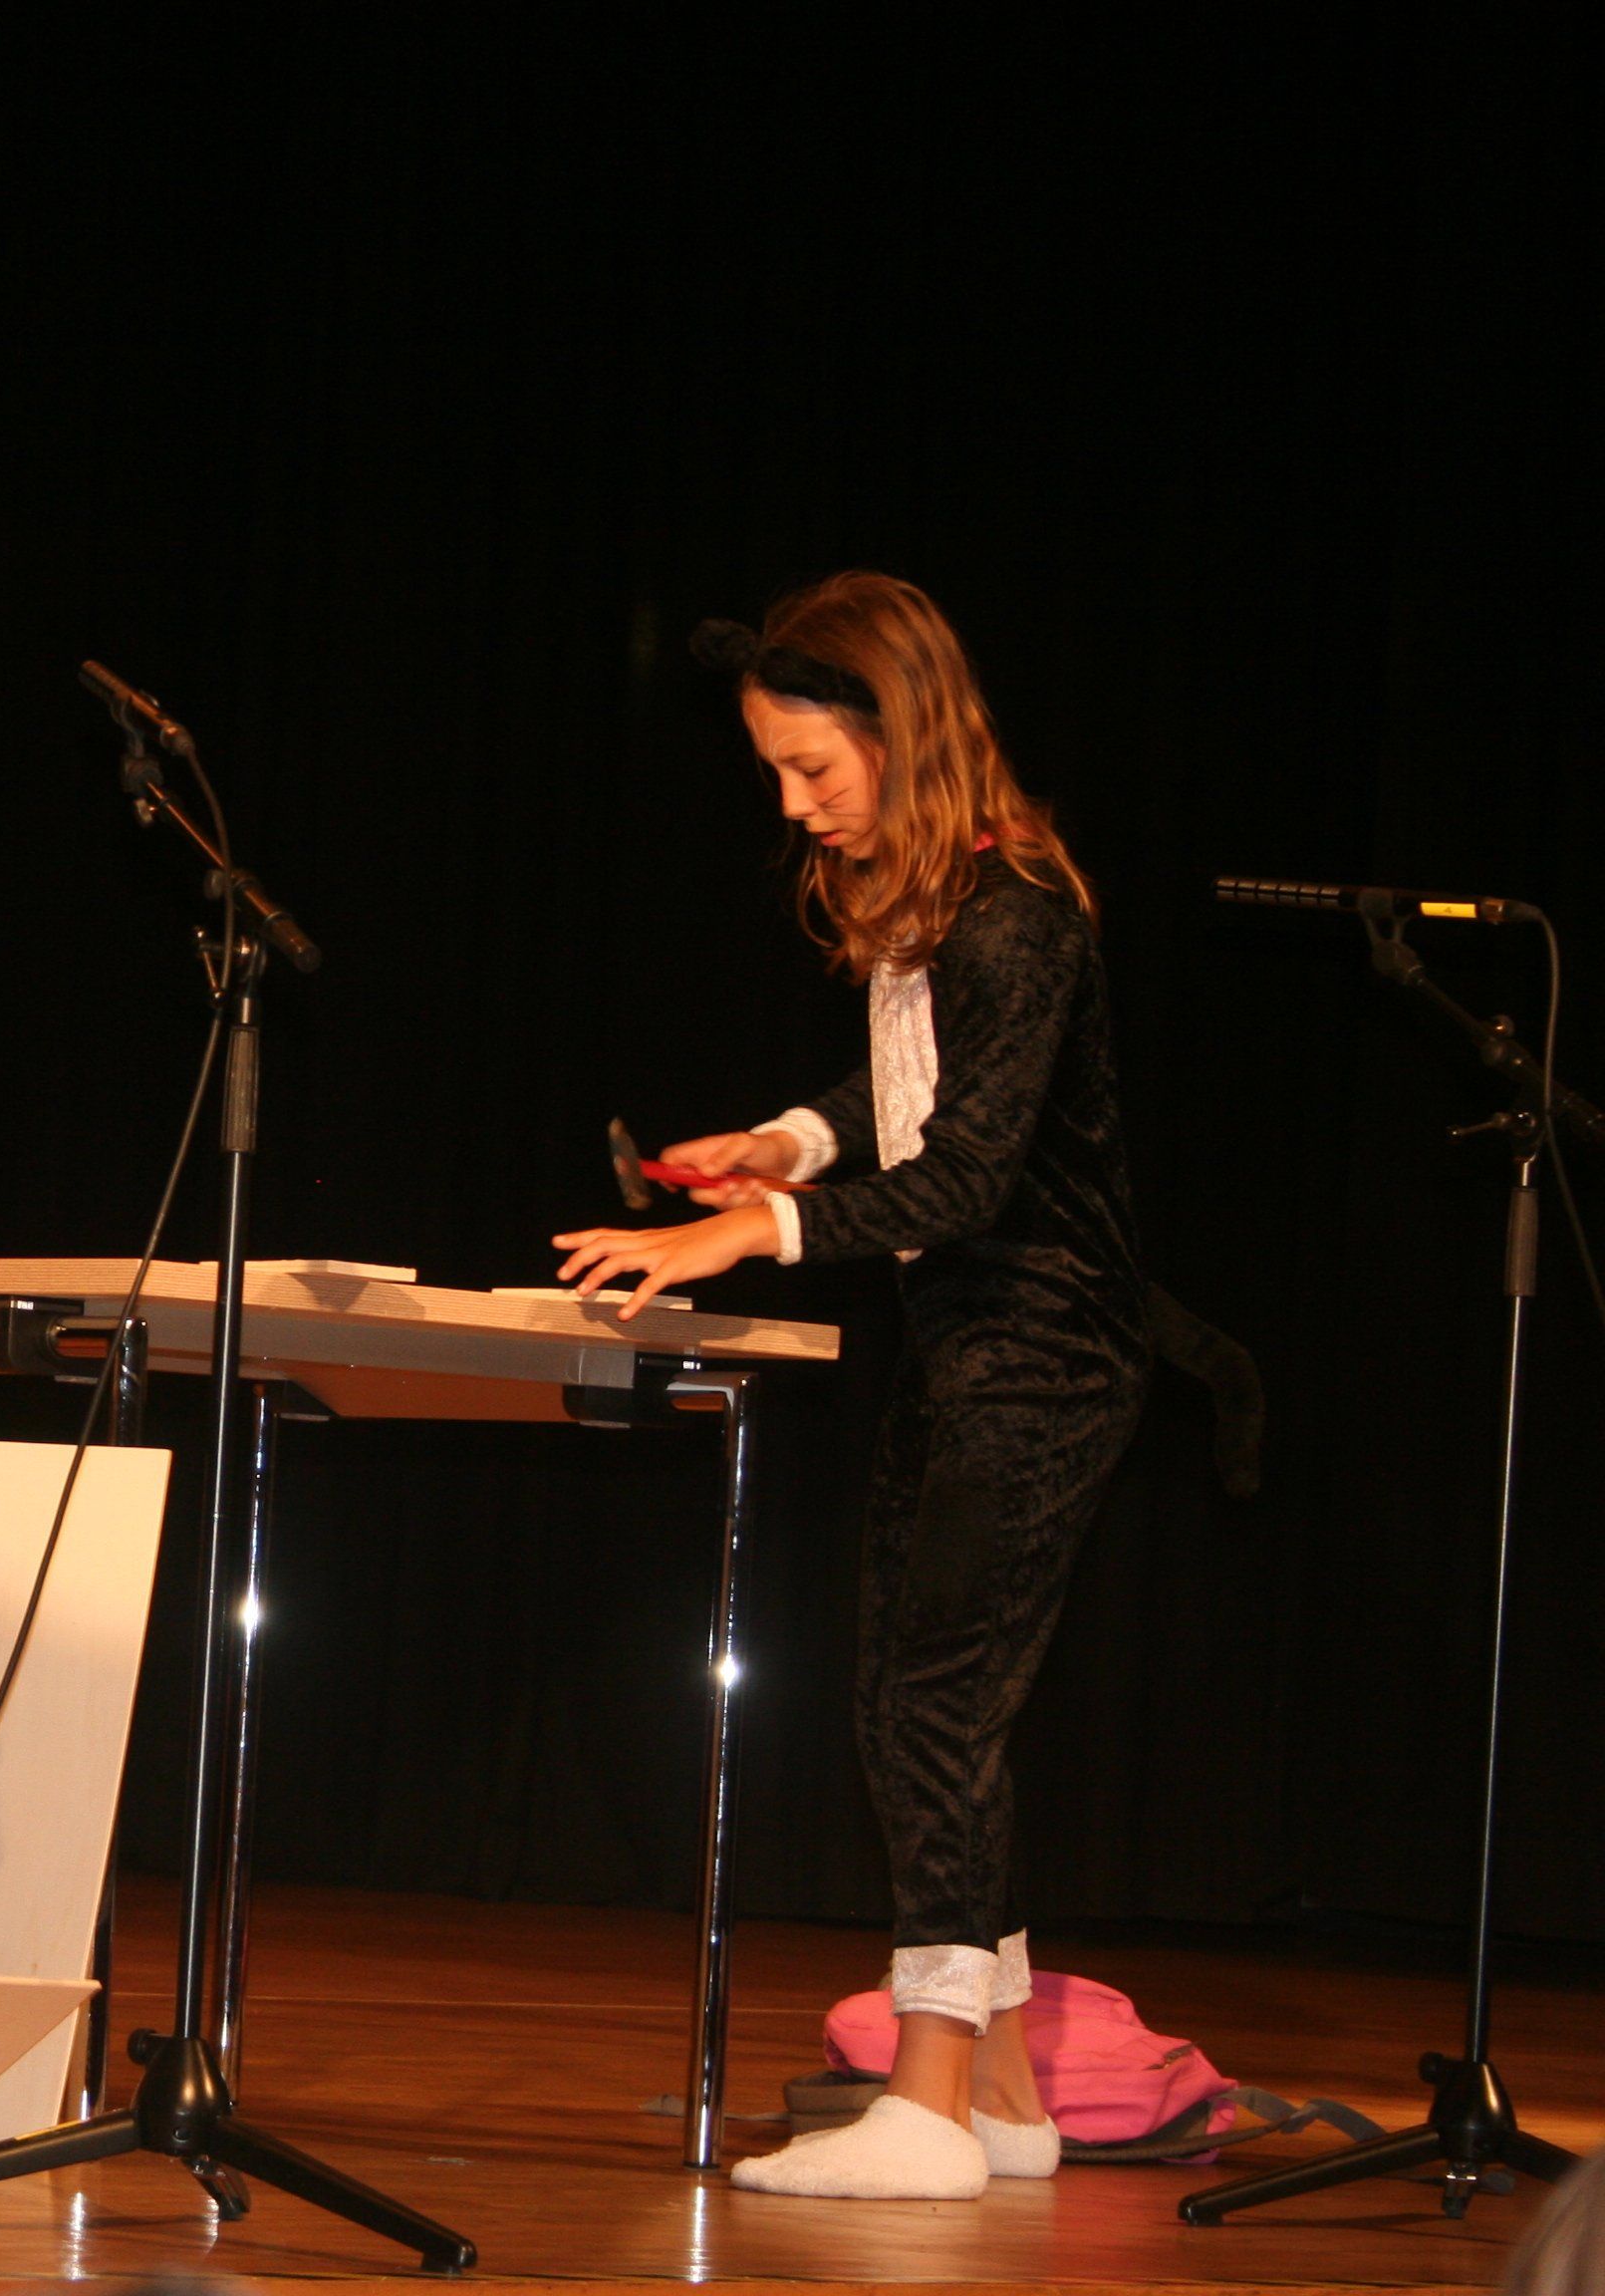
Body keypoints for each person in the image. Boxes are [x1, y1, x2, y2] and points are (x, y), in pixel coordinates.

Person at [552, 573, 1147, 2200]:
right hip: (966, 1339)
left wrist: (750, 1229)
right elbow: (898, 1096)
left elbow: (965, 1175)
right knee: (913, 1694)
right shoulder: (935, 908)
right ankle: (1000, 2095)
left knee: (938, 1701)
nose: (795, 802)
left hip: (1046, 1345)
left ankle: (931, 2106)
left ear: (907, 729)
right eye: (776, 771)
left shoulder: (1017, 910)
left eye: (813, 766)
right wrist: (788, 1143)